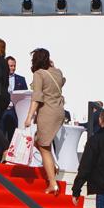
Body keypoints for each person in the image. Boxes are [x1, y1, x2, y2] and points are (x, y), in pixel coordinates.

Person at [25, 48, 66, 194]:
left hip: (47, 112)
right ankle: (53, 166)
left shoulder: (39, 74)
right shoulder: (57, 72)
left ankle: (53, 183)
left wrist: (29, 117)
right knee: (38, 141)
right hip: (59, 111)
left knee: (44, 147)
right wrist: (53, 66)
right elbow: (63, 82)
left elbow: (36, 97)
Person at [0, 55, 27, 143]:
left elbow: (25, 96)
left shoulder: (21, 79)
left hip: (15, 112)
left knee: (13, 137)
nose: (13, 68)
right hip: (2, 111)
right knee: (0, 136)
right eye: (11, 66)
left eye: (14, 66)